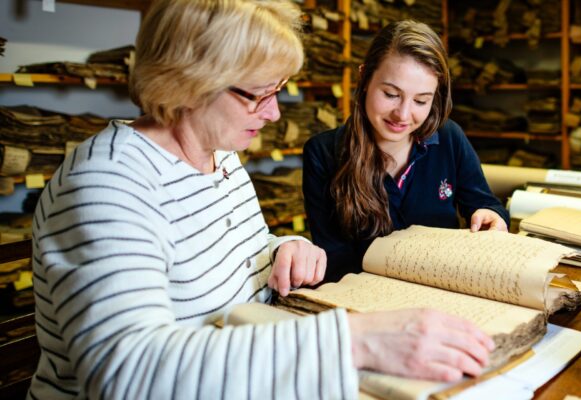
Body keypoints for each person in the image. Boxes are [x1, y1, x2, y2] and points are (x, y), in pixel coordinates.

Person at [27, 1, 494, 398]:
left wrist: (282, 249)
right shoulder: (108, 183)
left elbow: (229, 272)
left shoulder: (220, 157)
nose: (272, 113)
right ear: (189, 79)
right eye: (257, 94)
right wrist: (356, 341)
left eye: (277, 92)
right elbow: (127, 376)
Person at [303, 20, 510, 283]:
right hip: (367, 298)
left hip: (445, 288)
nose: (402, 114)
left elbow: (485, 204)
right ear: (364, 78)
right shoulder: (323, 153)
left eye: (421, 100)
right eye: (391, 94)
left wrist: (492, 217)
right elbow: (334, 258)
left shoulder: (449, 137)